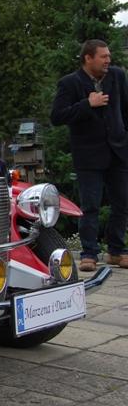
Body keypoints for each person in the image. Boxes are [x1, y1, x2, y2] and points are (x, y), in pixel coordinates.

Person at [50, 39, 128, 271]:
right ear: (88, 58)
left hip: (119, 151)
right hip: (88, 156)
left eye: (108, 56)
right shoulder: (70, 83)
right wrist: (87, 103)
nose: (108, 60)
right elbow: (57, 116)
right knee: (90, 206)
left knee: (122, 204)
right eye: (103, 56)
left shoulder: (117, 76)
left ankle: (116, 251)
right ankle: (89, 253)